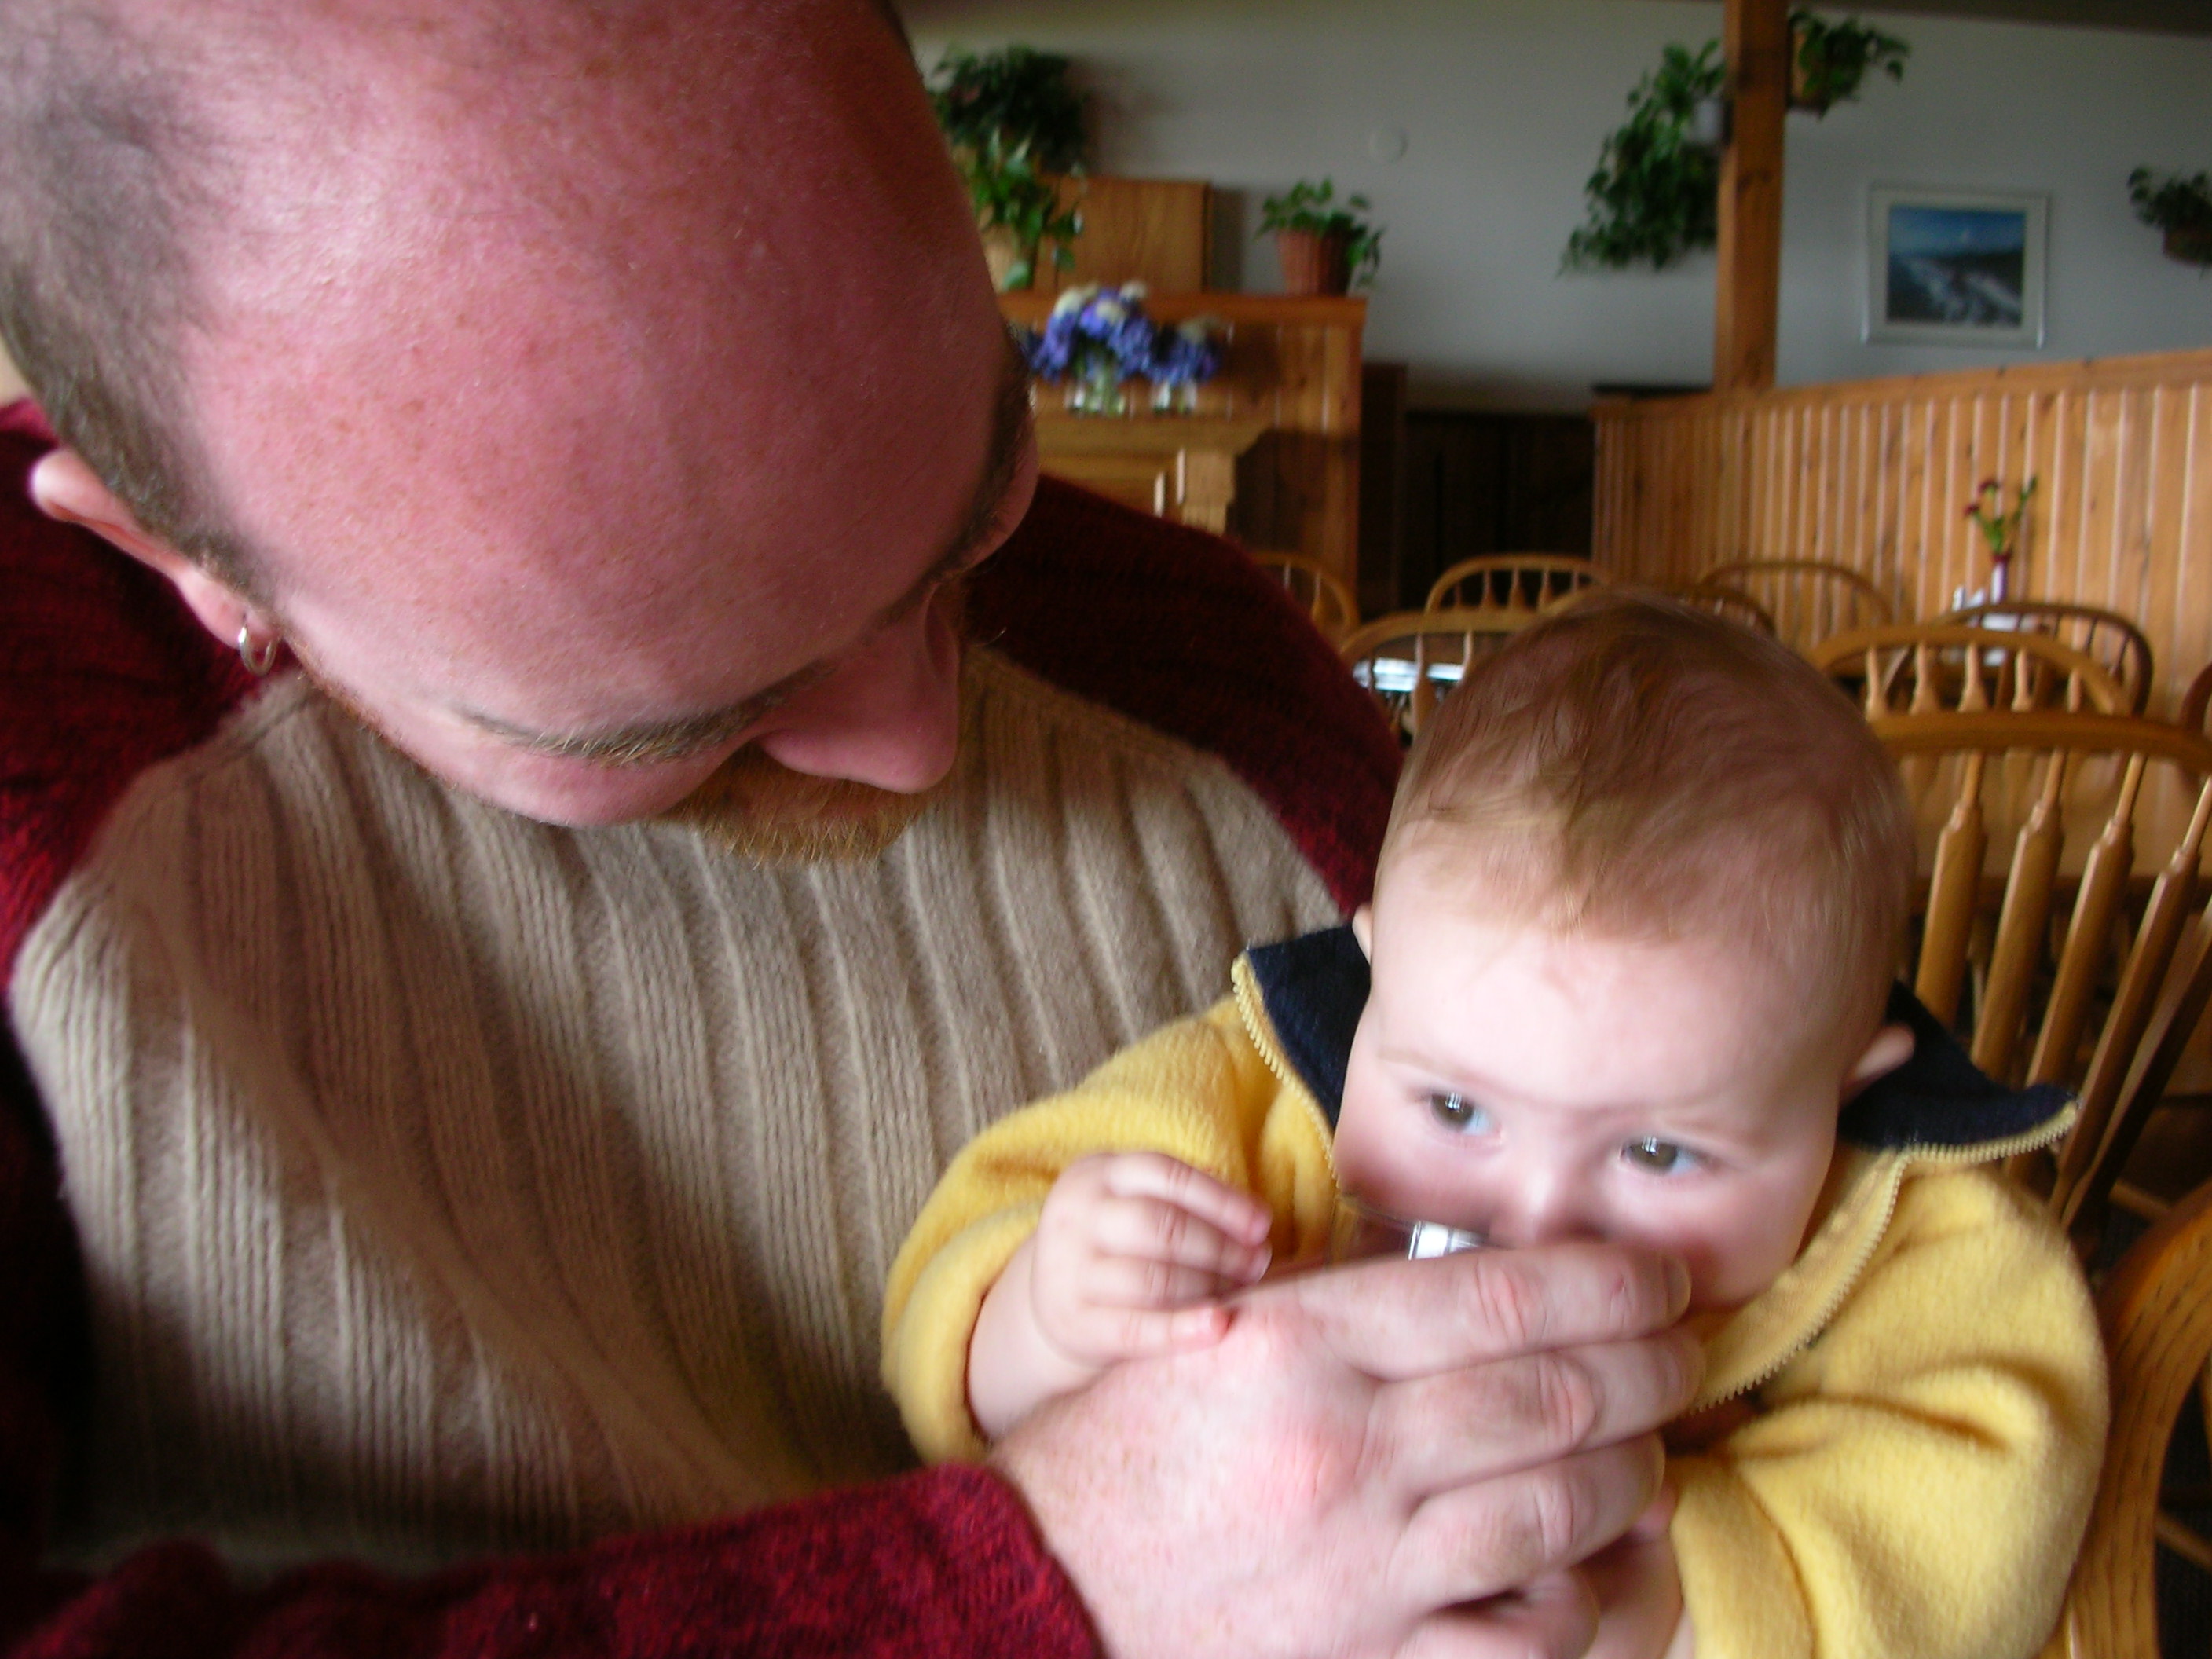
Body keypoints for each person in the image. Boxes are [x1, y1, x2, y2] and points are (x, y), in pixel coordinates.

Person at [0, 1, 1706, 1654]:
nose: (921, 747)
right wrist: (1053, 1596)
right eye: (682, 723)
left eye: (985, 505)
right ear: (175, 549)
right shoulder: (50, 767)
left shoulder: (1224, 687)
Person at [885, 595, 2110, 1659]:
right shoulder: (1261, 1091)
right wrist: (1045, 1319)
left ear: (1838, 1092)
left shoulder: (1921, 1238)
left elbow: (1988, 1509)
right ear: (1378, 985)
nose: (1535, 1222)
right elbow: (969, 1258)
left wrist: (1670, 1613)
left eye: (1659, 1153)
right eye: (1457, 1109)